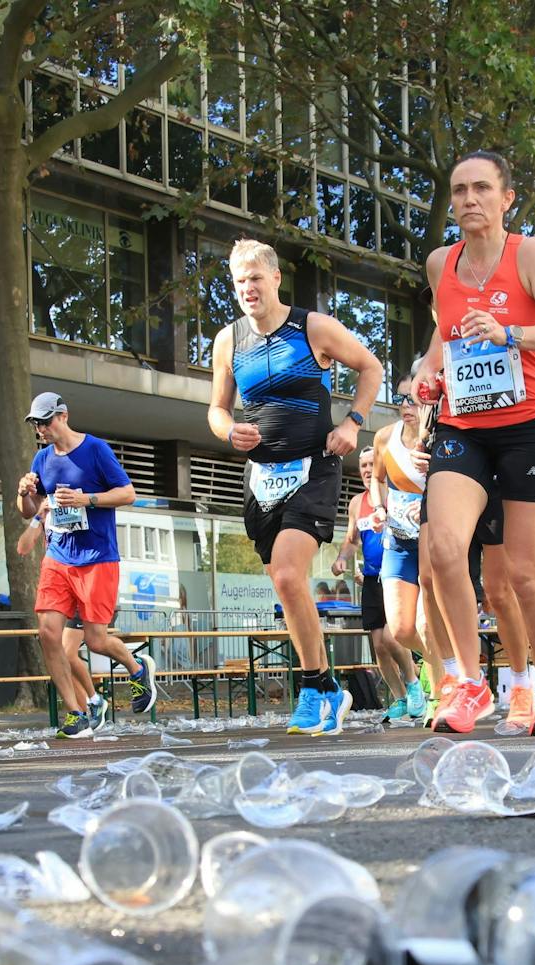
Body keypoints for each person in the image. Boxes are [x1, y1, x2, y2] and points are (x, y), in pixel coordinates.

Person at [410, 151, 535, 736]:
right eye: (459, 190)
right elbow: (442, 337)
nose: (469, 200)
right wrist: (425, 373)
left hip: (529, 426)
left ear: (506, 198)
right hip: (463, 426)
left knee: (524, 573)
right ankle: (469, 681)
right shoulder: (441, 263)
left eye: (482, 188)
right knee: (441, 553)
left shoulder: (529, 255)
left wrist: (510, 331)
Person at [207, 239, 381, 735]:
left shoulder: (312, 328)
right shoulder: (229, 340)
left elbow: (371, 367)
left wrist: (353, 424)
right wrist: (226, 429)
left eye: (255, 279)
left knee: (287, 575)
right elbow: (218, 409)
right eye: (239, 282)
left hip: (314, 467)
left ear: (276, 278)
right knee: (287, 588)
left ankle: (310, 688)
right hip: (261, 477)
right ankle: (327, 686)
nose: (248, 289)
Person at [15, 391, 154, 739]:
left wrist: (86, 499)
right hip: (58, 557)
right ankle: (76, 712)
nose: (41, 429)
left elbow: (128, 493)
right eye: (36, 424)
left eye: (45, 421)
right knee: (48, 634)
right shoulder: (41, 459)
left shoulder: (95, 449)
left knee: (95, 640)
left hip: (97, 559)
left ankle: (137, 670)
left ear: (63, 415)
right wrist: (24, 494)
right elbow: (31, 513)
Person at [369, 385, 441, 722]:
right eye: (400, 398)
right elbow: (377, 480)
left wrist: (429, 507)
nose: (405, 405)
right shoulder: (385, 437)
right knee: (399, 630)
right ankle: (448, 666)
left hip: (430, 540)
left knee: (427, 625)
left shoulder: (441, 438)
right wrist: (379, 506)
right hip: (397, 541)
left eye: (412, 399)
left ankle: (442, 696)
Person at [335, 443, 419, 720]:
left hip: (398, 577)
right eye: (363, 466)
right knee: (379, 644)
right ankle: (399, 698)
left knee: (393, 638)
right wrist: (342, 559)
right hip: (371, 580)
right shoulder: (357, 503)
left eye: (372, 465)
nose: (368, 471)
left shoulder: (396, 495)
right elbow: (351, 540)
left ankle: (414, 684)